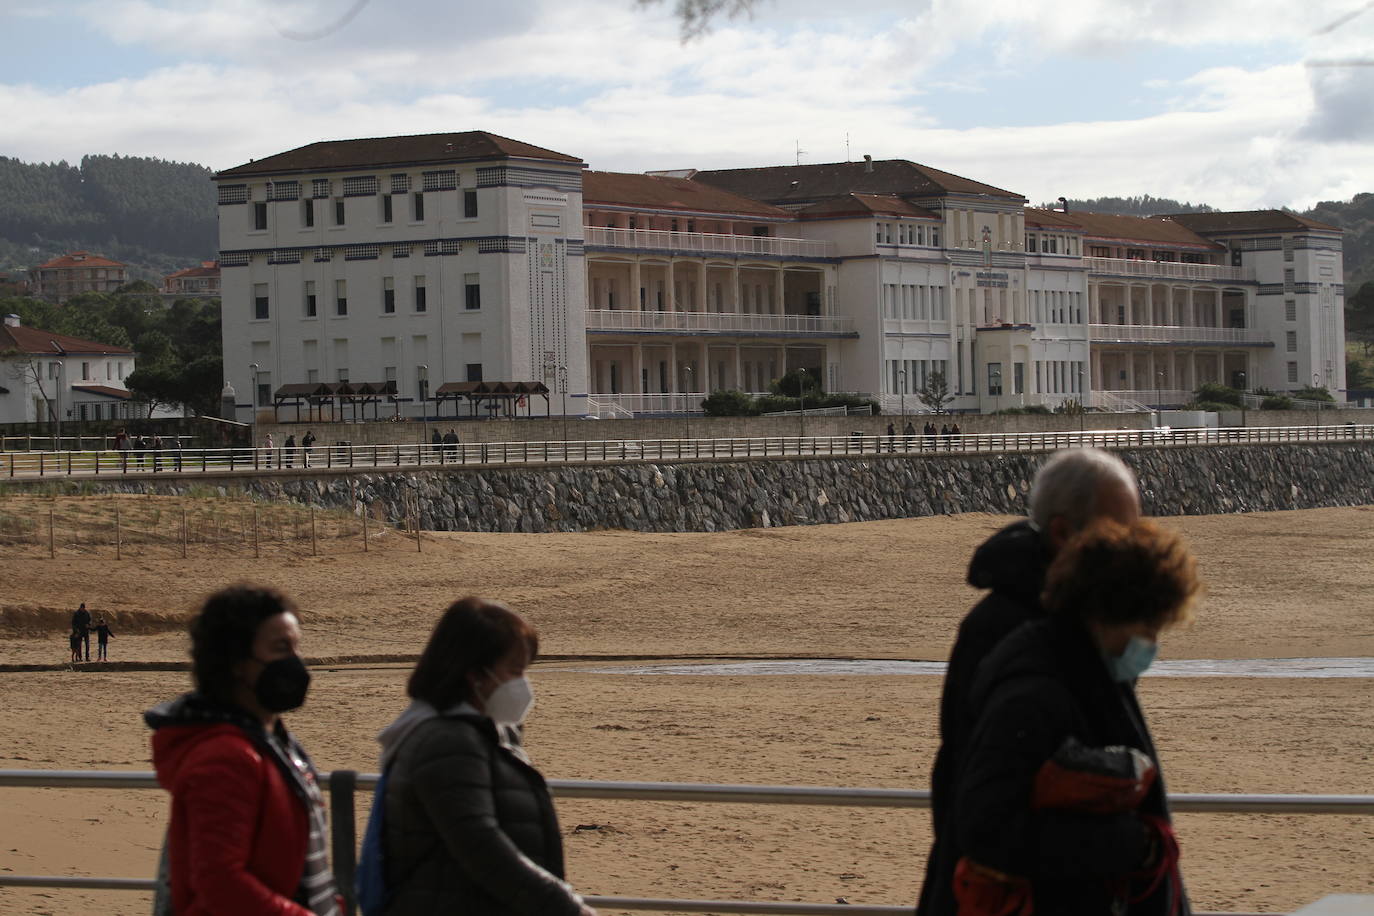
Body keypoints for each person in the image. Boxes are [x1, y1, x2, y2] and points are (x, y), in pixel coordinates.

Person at [917, 448, 1141, 916]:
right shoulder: (1015, 632)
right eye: (1120, 533)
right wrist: (1127, 841)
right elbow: (984, 813)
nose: (1133, 549)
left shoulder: (1082, 617)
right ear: (1063, 533)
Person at [952, 518, 1199, 915]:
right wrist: (1129, 845)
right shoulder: (1037, 690)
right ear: (1110, 610)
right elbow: (986, 826)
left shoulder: (1081, 671)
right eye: (1148, 626)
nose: (1151, 643)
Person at [371, 597, 596, 915]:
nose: (523, 685)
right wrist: (563, 905)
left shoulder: (477, 734)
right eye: (515, 671)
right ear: (475, 674)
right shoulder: (447, 742)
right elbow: (481, 846)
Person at [144, 585, 341, 916]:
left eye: (296, 647)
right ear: (236, 662)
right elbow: (221, 883)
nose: (295, 662)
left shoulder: (275, 741)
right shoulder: (226, 756)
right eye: (281, 648)